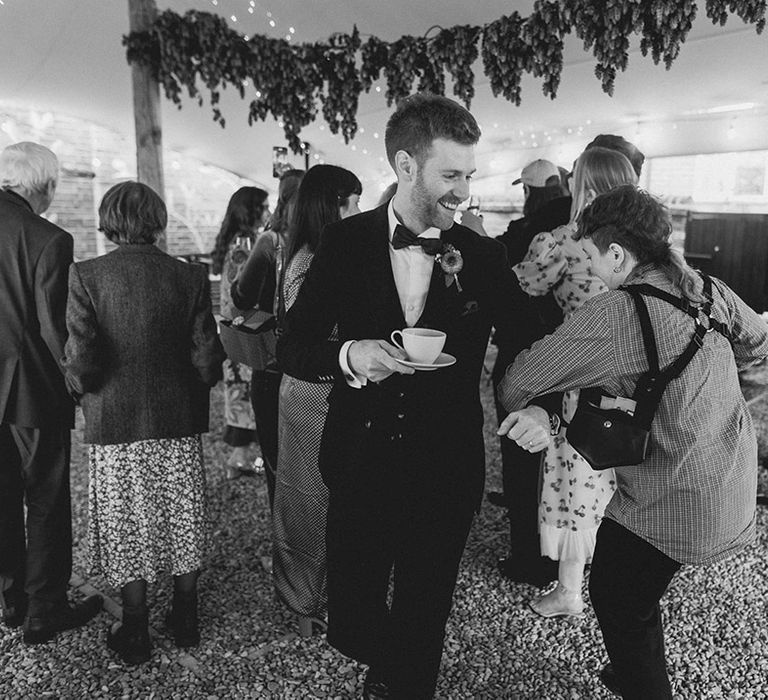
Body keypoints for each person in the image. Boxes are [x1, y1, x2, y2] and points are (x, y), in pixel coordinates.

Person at [277, 93, 542, 699]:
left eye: (469, 176)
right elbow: (293, 346)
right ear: (404, 166)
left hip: (445, 466)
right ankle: (378, 660)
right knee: (357, 609)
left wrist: (540, 403)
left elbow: (530, 341)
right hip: (358, 459)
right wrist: (349, 356)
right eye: (451, 175)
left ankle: (407, 685)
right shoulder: (344, 244)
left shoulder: (482, 254)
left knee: (426, 606)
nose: (464, 192)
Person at [498, 185, 768, 699]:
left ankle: (643, 686)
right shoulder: (707, 288)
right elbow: (757, 341)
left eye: (592, 257)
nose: (591, 270)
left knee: (618, 596)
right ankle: (631, 670)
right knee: (633, 588)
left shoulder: (617, 312)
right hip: (731, 482)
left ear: (617, 254)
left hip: (676, 499)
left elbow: (518, 382)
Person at [63, 181, 224, 665]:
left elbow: (83, 362)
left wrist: (74, 385)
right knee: (181, 517)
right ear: (158, 219)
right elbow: (207, 360)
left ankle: (135, 631)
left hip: (115, 424)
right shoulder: (189, 277)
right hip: (175, 421)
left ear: (108, 220)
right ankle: (186, 619)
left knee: (125, 522)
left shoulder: (87, 275)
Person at [513, 147, 638, 617]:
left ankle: (569, 591)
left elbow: (522, 285)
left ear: (580, 185)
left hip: (581, 376)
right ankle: (621, 582)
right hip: (636, 379)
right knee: (625, 476)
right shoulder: (645, 246)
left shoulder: (564, 240)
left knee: (576, 479)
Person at [0, 141, 103, 644]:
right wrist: (81, 385)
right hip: (33, 390)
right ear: (43, 186)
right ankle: (44, 609)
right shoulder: (48, 238)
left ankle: (10, 598)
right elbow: (55, 331)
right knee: (44, 497)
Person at [271, 164, 362, 636]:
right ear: (335, 204)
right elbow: (311, 337)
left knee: (322, 494)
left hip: (320, 388)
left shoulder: (311, 251)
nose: (359, 210)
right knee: (309, 496)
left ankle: (319, 593)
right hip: (313, 390)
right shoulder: (311, 260)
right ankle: (305, 598)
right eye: (353, 200)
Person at [232, 169, 304, 506]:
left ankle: (285, 545)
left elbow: (242, 297)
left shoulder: (270, 241)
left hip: (273, 363)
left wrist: (236, 278)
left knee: (277, 461)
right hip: (311, 366)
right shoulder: (324, 238)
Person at [211, 186, 271, 479]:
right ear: (252, 210)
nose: (269, 212)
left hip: (237, 329)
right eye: (265, 206)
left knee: (241, 394)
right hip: (243, 331)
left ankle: (240, 458)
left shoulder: (237, 241)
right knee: (245, 395)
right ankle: (241, 459)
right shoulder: (244, 244)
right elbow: (243, 292)